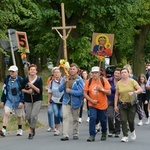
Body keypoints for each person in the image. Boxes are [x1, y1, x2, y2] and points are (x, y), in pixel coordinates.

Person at [114, 68, 143, 142]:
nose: (123, 74)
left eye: (125, 72)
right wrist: (115, 105)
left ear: (128, 73)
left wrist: (134, 93)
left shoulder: (132, 81)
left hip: (131, 104)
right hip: (122, 104)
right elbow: (116, 95)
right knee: (123, 120)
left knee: (130, 120)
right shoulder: (119, 83)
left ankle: (132, 131)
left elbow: (140, 90)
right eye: (122, 72)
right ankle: (125, 136)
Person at [84, 66, 111, 142]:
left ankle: (104, 132)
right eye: (93, 73)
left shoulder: (104, 80)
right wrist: (91, 100)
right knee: (92, 118)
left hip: (102, 105)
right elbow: (85, 93)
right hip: (92, 104)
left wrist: (101, 89)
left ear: (99, 73)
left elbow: (109, 92)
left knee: (103, 120)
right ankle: (92, 135)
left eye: (96, 73)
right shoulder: (88, 81)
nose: (94, 74)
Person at [59, 63, 84, 141]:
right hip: (66, 101)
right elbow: (60, 89)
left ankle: (75, 133)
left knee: (75, 118)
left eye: (74, 69)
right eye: (71, 69)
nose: (72, 70)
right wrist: (64, 83)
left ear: (77, 70)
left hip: (75, 102)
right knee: (65, 117)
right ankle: (65, 134)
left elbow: (81, 92)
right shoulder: (65, 78)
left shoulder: (79, 80)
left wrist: (71, 91)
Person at [0, 65, 24, 137]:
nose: (11, 73)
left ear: (16, 72)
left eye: (13, 71)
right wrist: (2, 101)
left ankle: (19, 129)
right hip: (9, 99)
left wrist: (22, 101)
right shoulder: (7, 79)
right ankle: (3, 129)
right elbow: (4, 90)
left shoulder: (20, 80)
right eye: (10, 71)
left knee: (19, 116)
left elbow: (23, 91)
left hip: (18, 100)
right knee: (6, 113)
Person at [21, 64, 43, 140]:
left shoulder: (39, 79)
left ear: (36, 71)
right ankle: (33, 127)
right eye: (31, 70)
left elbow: (40, 91)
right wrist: (27, 91)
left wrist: (32, 86)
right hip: (28, 100)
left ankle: (30, 131)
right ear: (29, 71)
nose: (32, 71)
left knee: (34, 115)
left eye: (34, 70)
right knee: (28, 116)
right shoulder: (25, 79)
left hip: (37, 99)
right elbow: (21, 89)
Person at [47, 67, 63, 136]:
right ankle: (57, 129)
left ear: (60, 73)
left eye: (58, 72)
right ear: (53, 74)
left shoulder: (64, 80)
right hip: (54, 100)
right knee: (56, 114)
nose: (56, 74)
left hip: (63, 101)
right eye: (55, 72)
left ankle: (64, 127)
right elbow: (50, 92)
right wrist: (48, 101)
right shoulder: (51, 82)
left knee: (61, 115)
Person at [107, 68, 121, 137]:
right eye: (116, 73)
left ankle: (117, 131)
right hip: (110, 100)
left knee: (117, 116)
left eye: (118, 73)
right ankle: (111, 130)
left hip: (119, 100)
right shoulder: (109, 80)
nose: (117, 74)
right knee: (110, 116)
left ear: (120, 74)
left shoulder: (122, 81)